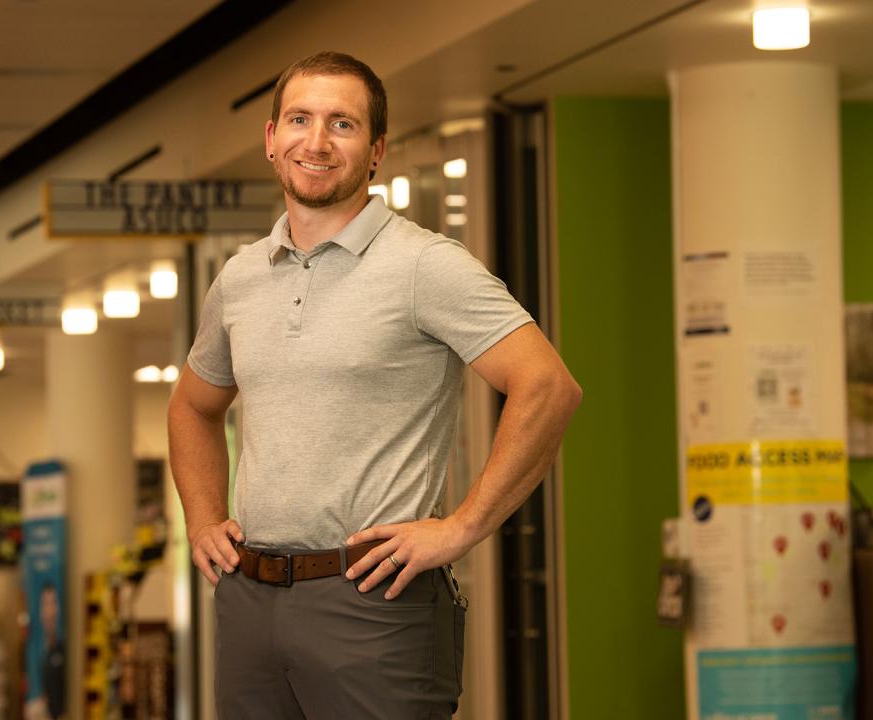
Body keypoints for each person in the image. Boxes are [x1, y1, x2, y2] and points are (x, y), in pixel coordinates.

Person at [168, 51, 581, 719]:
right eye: (300, 119)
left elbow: (548, 387)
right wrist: (202, 519)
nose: (317, 141)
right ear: (271, 140)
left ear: (376, 151)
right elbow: (192, 406)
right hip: (249, 597)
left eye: (343, 124)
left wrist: (462, 527)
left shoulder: (425, 266)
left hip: (372, 600)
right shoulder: (241, 278)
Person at [38, 582, 66, 719]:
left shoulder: (63, 645)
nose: (50, 612)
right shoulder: (36, 644)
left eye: (53, 603)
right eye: (45, 604)